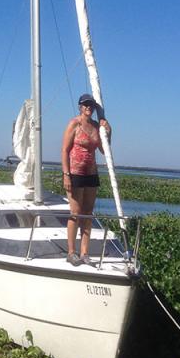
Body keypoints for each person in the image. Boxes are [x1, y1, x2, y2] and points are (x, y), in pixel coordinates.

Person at [61, 93, 111, 266]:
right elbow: (65, 151)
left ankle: (84, 253)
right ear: (80, 107)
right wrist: (66, 175)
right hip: (75, 174)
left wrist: (108, 132)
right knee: (76, 213)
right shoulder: (74, 124)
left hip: (91, 174)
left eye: (91, 105)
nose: (88, 107)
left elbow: (105, 151)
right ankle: (71, 252)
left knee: (88, 214)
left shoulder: (97, 126)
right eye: (85, 105)